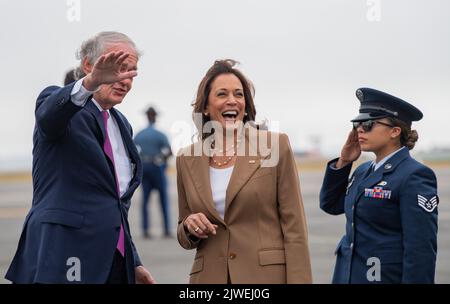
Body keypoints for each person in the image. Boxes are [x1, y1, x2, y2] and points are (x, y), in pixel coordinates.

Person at [5, 31, 155, 284]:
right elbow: (49, 117)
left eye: (131, 71)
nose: (124, 79)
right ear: (88, 65)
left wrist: (133, 260)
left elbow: (116, 205)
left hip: (113, 263)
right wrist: (91, 82)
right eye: (117, 68)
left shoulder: (122, 125)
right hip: (63, 255)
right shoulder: (59, 106)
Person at [176, 59, 312, 284]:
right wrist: (190, 226)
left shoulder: (274, 146)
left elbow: (295, 228)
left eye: (239, 95)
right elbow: (183, 234)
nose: (232, 101)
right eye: (222, 94)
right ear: (206, 108)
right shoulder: (186, 158)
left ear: (246, 105)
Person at [320, 87, 439, 284]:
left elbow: (420, 249)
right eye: (357, 124)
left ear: (395, 131)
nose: (359, 129)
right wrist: (343, 162)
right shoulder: (363, 170)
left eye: (368, 124)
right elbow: (330, 204)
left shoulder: (414, 175)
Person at [134, 106, 173, 238]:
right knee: (163, 201)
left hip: (145, 168)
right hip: (157, 168)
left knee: (145, 201)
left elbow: (133, 152)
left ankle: (145, 230)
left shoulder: (140, 134)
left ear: (146, 116)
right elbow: (170, 152)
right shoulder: (160, 134)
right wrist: (163, 161)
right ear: (155, 117)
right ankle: (166, 230)